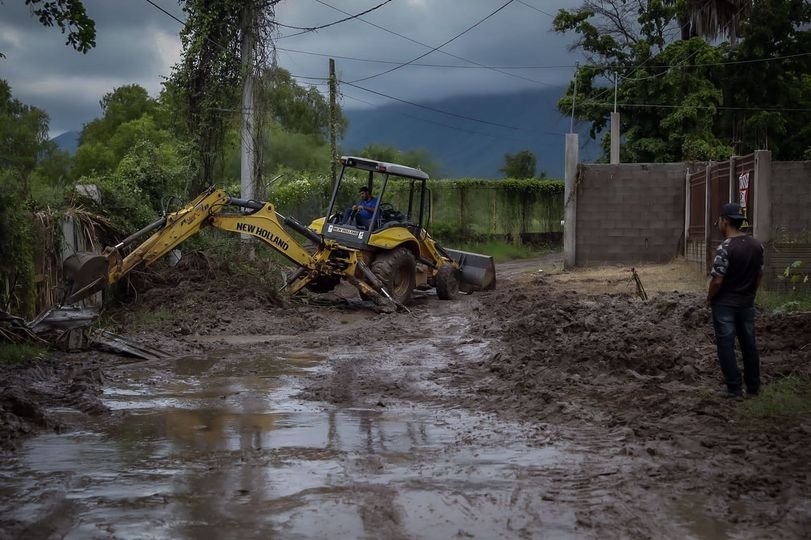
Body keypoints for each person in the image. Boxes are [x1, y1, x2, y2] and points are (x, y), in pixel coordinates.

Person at [706, 203, 764, 399]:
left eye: (720, 221)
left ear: (725, 221)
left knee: (726, 345)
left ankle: (734, 388)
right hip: (746, 303)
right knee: (749, 345)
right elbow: (759, 274)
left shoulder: (725, 247)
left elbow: (717, 280)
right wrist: (751, 293)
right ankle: (753, 387)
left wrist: (709, 299)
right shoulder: (757, 245)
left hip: (725, 305)